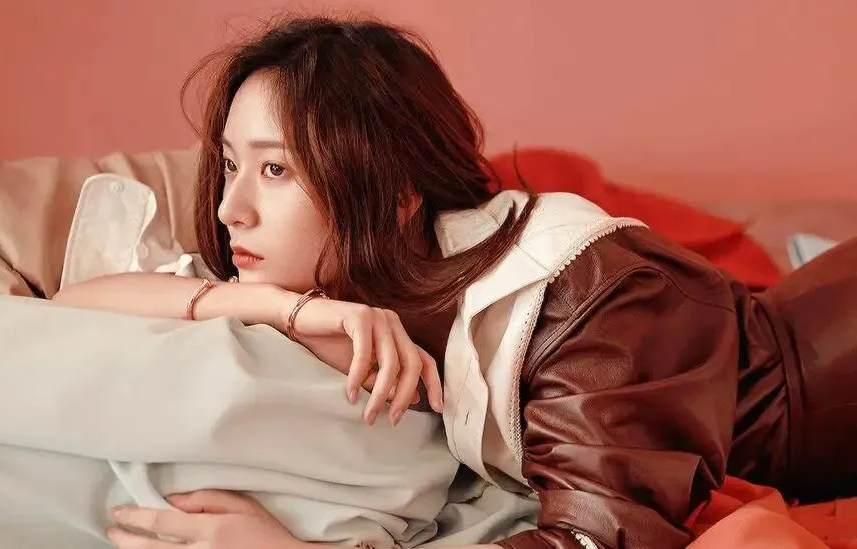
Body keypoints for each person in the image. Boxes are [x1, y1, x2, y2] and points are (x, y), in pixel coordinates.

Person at [51, 15, 857, 549]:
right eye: (230, 165)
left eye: (275, 170)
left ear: (397, 191)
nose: (233, 208)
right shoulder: (324, 283)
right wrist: (270, 304)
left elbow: (591, 539)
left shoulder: (582, 297)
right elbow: (71, 306)